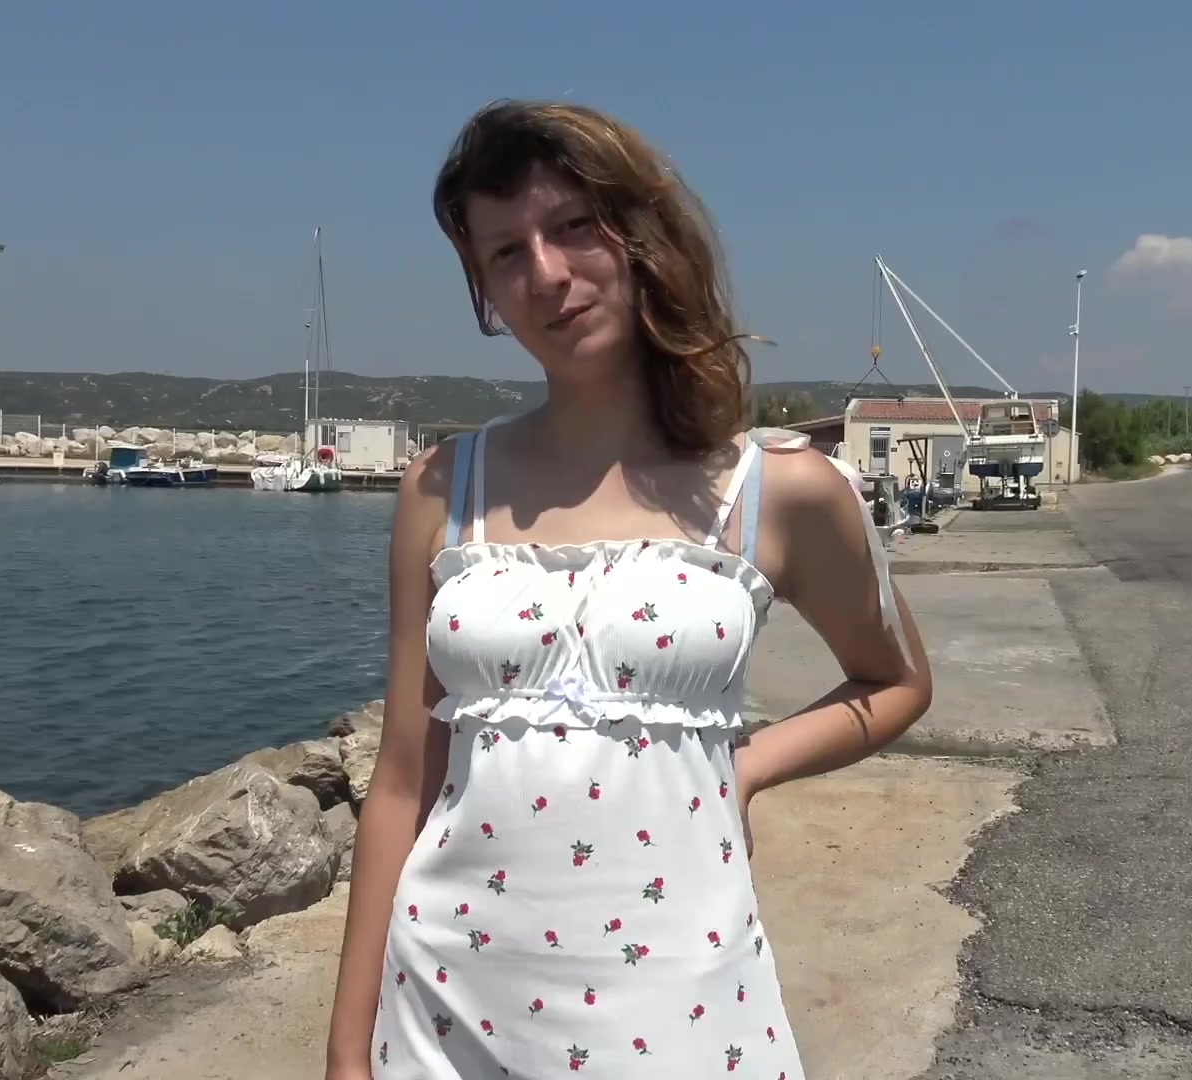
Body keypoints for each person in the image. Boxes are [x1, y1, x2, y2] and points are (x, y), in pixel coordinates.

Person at [324, 99, 934, 1079]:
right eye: (506, 252)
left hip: (682, 1002)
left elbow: (896, 681)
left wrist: (744, 767)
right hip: (445, 998)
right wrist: (347, 1052)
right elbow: (403, 775)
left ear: (645, 234)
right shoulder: (443, 488)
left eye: (574, 226)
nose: (546, 274)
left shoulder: (776, 489)